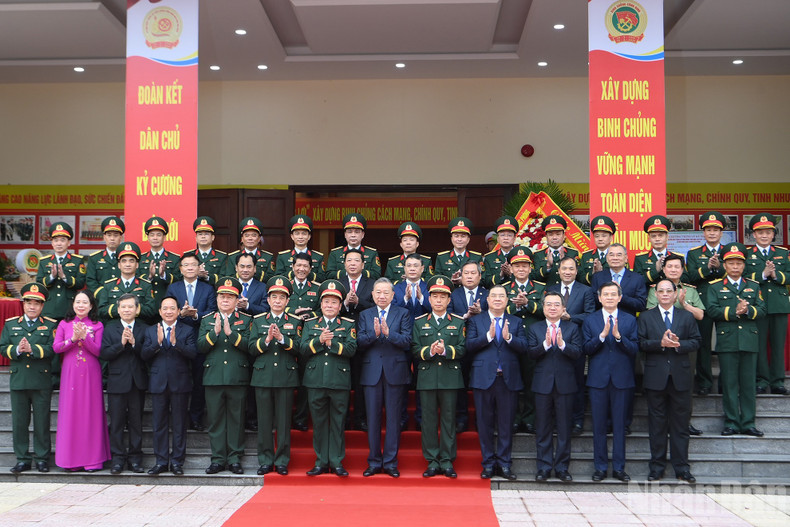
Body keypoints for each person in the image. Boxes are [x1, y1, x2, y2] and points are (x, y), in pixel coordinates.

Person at [638, 279, 701, 483]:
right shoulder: (646, 317)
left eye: (668, 291)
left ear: (676, 294)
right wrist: (660, 344)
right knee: (656, 425)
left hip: (680, 377)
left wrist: (678, 344)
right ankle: (656, 467)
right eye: (661, 291)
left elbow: (697, 341)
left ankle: (682, 467)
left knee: (680, 426)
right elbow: (640, 343)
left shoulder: (686, 316)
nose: (665, 294)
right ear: (655, 294)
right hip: (656, 378)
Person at [466, 284, 528, 480]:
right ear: (488, 299)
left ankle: (504, 463)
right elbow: (469, 346)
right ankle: (488, 463)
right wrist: (488, 337)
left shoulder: (516, 322)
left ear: (507, 300)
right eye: (494, 296)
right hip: (483, 378)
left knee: (506, 423)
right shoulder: (477, 321)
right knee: (484, 424)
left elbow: (525, 347)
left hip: (507, 379)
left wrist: (509, 338)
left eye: (502, 296)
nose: (498, 299)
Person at [707, 243, 766, 437]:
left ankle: (748, 422)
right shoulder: (715, 287)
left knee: (748, 384)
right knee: (730, 383)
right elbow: (712, 310)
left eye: (738, 263)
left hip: (749, 341)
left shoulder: (754, 285)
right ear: (724, 265)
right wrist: (734, 312)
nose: (735, 267)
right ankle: (731, 422)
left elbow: (762, 310)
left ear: (744, 265)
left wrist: (748, 310)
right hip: (727, 341)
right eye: (731, 263)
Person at [300, 280, 357, 477]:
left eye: (334, 302)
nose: (330, 306)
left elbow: (351, 349)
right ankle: (321, 462)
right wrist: (319, 340)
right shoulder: (310, 324)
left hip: (338, 380)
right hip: (315, 380)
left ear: (340, 306)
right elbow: (303, 349)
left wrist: (332, 344)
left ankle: (337, 461)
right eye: (326, 302)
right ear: (321, 304)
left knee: (338, 423)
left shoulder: (348, 324)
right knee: (319, 423)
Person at [357, 277, 413, 477]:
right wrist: (375, 334)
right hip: (372, 372)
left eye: (386, 293)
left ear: (392, 295)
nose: (381, 296)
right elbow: (360, 342)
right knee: (373, 419)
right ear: (372, 294)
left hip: (395, 372)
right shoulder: (365, 314)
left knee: (393, 419)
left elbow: (407, 340)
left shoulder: (403, 313)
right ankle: (373, 461)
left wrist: (389, 334)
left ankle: (390, 462)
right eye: (378, 292)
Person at [583, 282, 639, 482]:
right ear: (599, 298)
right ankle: (600, 467)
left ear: (619, 298)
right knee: (598, 426)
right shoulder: (590, 320)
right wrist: (602, 336)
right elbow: (586, 349)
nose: (609, 297)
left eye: (613, 294)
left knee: (619, 426)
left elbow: (634, 349)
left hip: (622, 380)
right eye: (605, 294)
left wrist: (617, 337)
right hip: (598, 380)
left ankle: (619, 468)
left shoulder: (629, 320)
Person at [645, 253, 705, 437]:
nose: (673, 269)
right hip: (660, 343)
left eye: (677, 267)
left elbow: (700, 315)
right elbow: (651, 313)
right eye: (669, 266)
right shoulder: (655, 289)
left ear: (682, 269)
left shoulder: (690, 290)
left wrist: (683, 304)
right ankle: (662, 425)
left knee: (685, 384)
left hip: (685, 343)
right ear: (663, 269)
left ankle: (685, 422)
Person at [412, 275, 466, 478]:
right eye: (435, 296)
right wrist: (430, 351)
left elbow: (462, 349)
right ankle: (432, 460)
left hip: (450, 377)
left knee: (448, 420)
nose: (439, 300)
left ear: (449, 300)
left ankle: (447, 460)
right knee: (428, 421)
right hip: (426, 377)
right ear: (429, 299)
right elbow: (415, 349)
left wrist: (445, 351)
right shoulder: (419, 322)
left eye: (443, 297)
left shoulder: (458, 322)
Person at [249, 276, 303, 476]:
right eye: (274, 297)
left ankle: (281, 460)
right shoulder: (258, 320)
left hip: (285, 377)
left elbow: (299, 348)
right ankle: (264, 460)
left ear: (288, 301)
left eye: (282, 297)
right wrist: (266, 340)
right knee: (264, 422)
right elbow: (250, 348)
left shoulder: (295, 322)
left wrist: (282, 339)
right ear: (268, 300)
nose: (278, 301)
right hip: (262, 376)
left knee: (283, 422)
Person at [197, 277, 252, 474]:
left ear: (238, 300)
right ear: (217, 299)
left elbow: (251, 347)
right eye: (222, 297)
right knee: (216, 420)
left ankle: (235, 458)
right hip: (214, 377)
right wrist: (215, 333)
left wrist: (231, 334)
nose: (225, 301)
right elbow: (201, 346)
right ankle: (218, 459)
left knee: (236, 419)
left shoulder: (246, 320)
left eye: (230, 297)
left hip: (237, 376)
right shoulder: (207, 320)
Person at [527, 291, 583, 483]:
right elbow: (531, 353)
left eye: (556, 304)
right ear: (543, 308)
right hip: (542, 385)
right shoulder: (535, 328)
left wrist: (562, 344)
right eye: (549, 304)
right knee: (542, 428)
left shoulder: (572, 328)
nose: (552, 308)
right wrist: (545, 344)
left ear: (563, 308)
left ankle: (561, 467)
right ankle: (543, 467)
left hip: (565, 385)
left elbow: (577, 353)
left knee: (564, 429)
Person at [53, 290, 110, 471]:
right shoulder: (64, 324)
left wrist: (84, 338)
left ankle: (92, 460)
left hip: (91, 372)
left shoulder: (98, 325)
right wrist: (73, 339)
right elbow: (57, 348)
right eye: (78, 302)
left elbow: (98, 351)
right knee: (71, 414)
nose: (81, 305)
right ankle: (70, 460)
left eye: (85, 302)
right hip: (70, 372)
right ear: (73, 304)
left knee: (90, 413)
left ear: (91, 305)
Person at [2, 283, 57, 473]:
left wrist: (33, 349)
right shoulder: (11, 324)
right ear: (23, 304)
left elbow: (53, 349)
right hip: (19, 379)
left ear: (42, 306)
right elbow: (2, 347)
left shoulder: (50, 325)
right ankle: (23, 458)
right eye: (29, 303)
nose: (32, 307)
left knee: (42, 421)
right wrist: (17, 349)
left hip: (40, 379)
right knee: (19, 421)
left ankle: (42, 459)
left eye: (36, 303)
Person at [141, 295, 197, 475]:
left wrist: (176, 343)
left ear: (179, 311)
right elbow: (144, 355)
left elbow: (193, 354)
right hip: (158, 383)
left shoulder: (187, 330)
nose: (168, 311)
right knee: (159, 424)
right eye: (165, 308)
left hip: (180, 382)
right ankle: (161, 461)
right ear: (159, 311)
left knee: (179, 424)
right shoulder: (151, 330)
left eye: (172, 308)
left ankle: (177, 462)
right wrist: (157, 343)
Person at [166, 253, 217, 431]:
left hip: (199, 339)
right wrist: (180, 314)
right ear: (180, 269)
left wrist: (195, 314)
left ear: (199, 268)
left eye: (193, 265)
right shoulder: (173, 288)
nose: (189, 268)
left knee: (199, 380)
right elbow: (167, 311)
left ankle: (195, 418)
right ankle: (177, 419)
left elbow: (212, 312)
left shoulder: (208, 288)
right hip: (177, 339)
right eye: (185, 265)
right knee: (177, 379)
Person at [99, 293, 149, 474]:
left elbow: (148, 355)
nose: (127, 310)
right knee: (117, 422)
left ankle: (135, 459)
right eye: (123, 307)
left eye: (130, 307)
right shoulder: (110, 328)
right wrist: (121, 344)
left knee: (136, 422)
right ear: (118, 309)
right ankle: (118, 459)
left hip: (137, 382)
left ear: (137, 309)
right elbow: (104, 353)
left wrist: (135, 344)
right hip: (117, 381)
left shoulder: (144, 328)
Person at [547, 257, 595, 436]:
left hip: (575, 343)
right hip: (551, 344)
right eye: (564, 269)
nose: (567, 272)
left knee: (576, 383)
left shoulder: (586, 290)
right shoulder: (550, 290)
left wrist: (570, 318)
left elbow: (590, 316)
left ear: (576, 271)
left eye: (571, 269)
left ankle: (577, 420)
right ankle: (555, 420)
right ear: (558, 271)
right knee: (553, 383)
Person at [746, 213, 789, 395]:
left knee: (778, 344)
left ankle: (778, 381)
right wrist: (763, 275)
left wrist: (775, 275)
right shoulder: (747, 254)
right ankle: (762, 380)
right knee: (760, 344)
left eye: (768, 232)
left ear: (773, 234)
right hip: (758, 304)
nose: (764, 236)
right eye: (760, 232)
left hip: (779, 304)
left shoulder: (783, 253)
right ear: (753, 235)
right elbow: (744, 276)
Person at [685, 211, 727, 396]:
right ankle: (704, 382)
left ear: (721, 232)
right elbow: (691, 276)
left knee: (725, 344)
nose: (711, 233)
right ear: (703, 232)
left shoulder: (730, 251)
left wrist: (720, 268)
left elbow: (738, 272)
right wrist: (708, 267)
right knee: (702, 344)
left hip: (726, 302)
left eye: (715, 230)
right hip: (702, 302)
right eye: (708, 230)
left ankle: (725, 383)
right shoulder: (694, 253)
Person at [503, 248, 545, 434]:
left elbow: (548, 311)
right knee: (510, 383)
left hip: (532, 342)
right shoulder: (503, 289)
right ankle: (512, 418)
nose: (521, 269)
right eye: (517, 266)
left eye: (524, 266)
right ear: (511, 269)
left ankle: (529, 418)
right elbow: (497, 312)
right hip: (509, 342)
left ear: (530, 268)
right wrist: (515, 306)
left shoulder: (541, 287)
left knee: (531, 383)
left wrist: (528, 304)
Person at [338, 248, 374, 431]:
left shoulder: (371, 284)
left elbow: (376, 307)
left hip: (363, 339)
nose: (352, 263)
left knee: (361, 382)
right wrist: (344, 303)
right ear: (344, 264)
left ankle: (360, 418)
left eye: (356, 260)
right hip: (340, 339)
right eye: (349, 260)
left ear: (363, 264)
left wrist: (358, 302)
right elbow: (328, 307)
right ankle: (342, 419)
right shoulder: (337, 283)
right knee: (342, 383)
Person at [286, 252, 322, 432]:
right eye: (298, 266)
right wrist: (294, 312)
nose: (301, 269)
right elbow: (275, 305)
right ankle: (283, 418)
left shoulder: (317, 288)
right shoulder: (284, 286)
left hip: (308, 338)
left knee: (305, 380)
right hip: (287, 338)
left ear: (310, 269)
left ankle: (300, 418)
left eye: (305, 266)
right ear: (293, 267)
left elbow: (323, 310)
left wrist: (310, 315)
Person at [35, 222, 86, 320]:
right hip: (49, 308)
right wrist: (51, 277)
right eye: (56, 240)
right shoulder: (44, 261)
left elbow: (81, 283)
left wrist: (65, 277)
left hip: (69, 308)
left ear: (69, 243)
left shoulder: (77, 260)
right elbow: (39, 283)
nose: (59, 243)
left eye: (62, 240)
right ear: (52, 243)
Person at [95, 242, 156, 324]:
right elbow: (101, 310)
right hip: (114, 328)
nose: (127, 264)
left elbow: (151, 310)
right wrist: (121, 308)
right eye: (124, 261)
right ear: (119, 265)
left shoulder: (145, 285)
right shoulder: (108, 285)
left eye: (131, 261)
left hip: (138, 328)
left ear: (137, 265)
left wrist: (134, 308)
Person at [590, 243, 647, 317]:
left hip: (627, 322)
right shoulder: (597, 277)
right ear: (607, 258)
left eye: (619, 255)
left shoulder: (637, 278)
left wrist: (621, 296)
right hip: (602, 321)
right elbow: (592, 302)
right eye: (611, 255)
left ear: (626, 258)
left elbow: (641, 305)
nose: (615, 258)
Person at [139, 216, 181, 311]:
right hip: (146, 306)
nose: (155, 238)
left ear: (164, 237)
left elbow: (179, 281)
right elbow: (136, 281)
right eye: (152, 235)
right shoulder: (140, 258)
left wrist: (164, 275)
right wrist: (149, 277)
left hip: (167, 307)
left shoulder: (174, 258)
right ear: (148, 237)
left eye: (158, 235)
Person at [633, 215, 688, 286]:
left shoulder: (678, 257)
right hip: (650, 295)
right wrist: (656, 270)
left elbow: (686, 280)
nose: (657, 239)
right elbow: (637, 282)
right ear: (649, 238)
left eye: (660, 235)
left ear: (667, 237)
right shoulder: (640, 258)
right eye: (653, 236)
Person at [325, 213, 381, 279]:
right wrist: (348, 272)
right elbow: (329, 275)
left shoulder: (371, 253)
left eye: (357, 232)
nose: (353, 235)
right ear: (345, 234)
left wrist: (358, 271)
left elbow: (377, 275)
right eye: (349, 232)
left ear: (362, 234)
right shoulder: (335, 253)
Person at [530, 215, 580, 288]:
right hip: (546, 294)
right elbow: (535, 278)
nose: (554, 237)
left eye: (558, 234)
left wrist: (564, 261)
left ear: (564, 236)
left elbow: (579, 276)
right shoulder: (538, 254)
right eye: (550, 234)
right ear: (546, 237)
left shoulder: (573, 253)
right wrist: (547, 266)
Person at [434, 217, 483, 288]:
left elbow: (483, 279)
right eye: (456, 236)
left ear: (468, 239)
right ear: (451, 239)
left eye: (463, 236)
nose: (459, 239)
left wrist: (465, 281)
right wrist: (451, 280)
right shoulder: (442, 258)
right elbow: (437, 280)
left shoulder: (477, 257)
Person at [275, 214, 325, 282]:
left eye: (304, 233)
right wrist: (296, 272)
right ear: (292, 236)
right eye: (297, 233)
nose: (300, 237)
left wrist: (306, 272)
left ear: (309, 236)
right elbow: (278, 278)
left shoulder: (318, 257)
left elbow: (322, 278)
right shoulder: (283, 256)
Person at [226, 217, 276, 283]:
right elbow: (229, 279)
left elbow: (271, 279)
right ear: (242, 239)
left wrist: (254, 270)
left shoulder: (268, 257)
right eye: (246, 235)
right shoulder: (232, 257)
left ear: (259, 239)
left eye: (254, 235)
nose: (250, 238)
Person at [182, 216, 228, 286]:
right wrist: (196, 274)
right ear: (196, 238)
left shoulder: (222, 256)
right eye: (200, 234)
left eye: (206, 234)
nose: (203, 236)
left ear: (213, 237)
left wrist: (207, 277)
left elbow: (224, 278)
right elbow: (180, 276)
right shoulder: (188, 255)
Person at [85, 216, 124, 294]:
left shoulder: (126, 257)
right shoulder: (94, 258)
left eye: (115, 235)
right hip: (101, 301)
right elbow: (90, 281)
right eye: (109, 235)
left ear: (121, 238)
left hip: (123, 301)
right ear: (104, 237)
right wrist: (102, 295)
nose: (112, 238)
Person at [482, 215, 520, 287]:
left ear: (514, 238)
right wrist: (500, 275)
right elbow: (485, 281)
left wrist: (512, 274)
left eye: (509, 235)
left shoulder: (521, 255)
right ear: (498, 238)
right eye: (502, 235)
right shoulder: (489, 258)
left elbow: (531, 278)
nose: (506, 238)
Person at [579, 215, 616, 285]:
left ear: (611, 237)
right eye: (597, 236)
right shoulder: (586, 256)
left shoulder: (617, 254)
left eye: (604, 236)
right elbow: (580, 279)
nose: (600, 239)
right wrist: (592, 273)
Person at [393, 253, 431, 319]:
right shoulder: (395, 288)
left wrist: (421, 298)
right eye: (409, 266)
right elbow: (392, 311)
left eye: (416, 266)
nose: (412, 269)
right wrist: (405, 299)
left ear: (422, 269)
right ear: (404, 268)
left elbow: (435, 309)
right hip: (402, 327)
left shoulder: (429, 288)